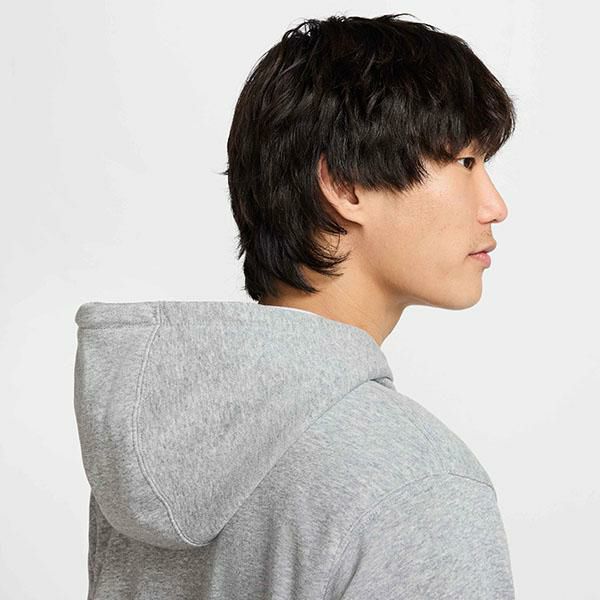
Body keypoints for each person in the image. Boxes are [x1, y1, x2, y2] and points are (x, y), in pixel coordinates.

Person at [74, 13, 517, 599]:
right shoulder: (419, 483)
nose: (494, 205)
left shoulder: (162, 447)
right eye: (465, 162)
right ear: (346, 186)